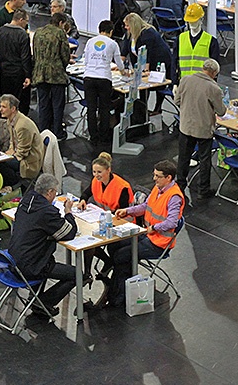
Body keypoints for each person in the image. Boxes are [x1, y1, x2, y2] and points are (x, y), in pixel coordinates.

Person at [107, 160, 185, 308]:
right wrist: (127, 211)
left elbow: (172, 223)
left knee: (121, 256)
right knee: (114, 246)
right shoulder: (158, 188)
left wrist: (154, 228)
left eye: (158, 176)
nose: (154, 179)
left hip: (159, 243)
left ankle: (118, 295)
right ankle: (121, 286)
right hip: (147, 236)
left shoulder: (174, 197)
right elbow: (145, 206)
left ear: (168, 178)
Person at [6, 174, 77, 315]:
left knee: (47, 258)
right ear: (50, 192)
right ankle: (43, 303)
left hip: (13, 260)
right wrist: (68, 212)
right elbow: (68, 232)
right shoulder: (46, 211)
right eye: (55, 192)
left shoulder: (26, 200)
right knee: (77, 274)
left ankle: (35, 298)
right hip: (32, 265)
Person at [175, 58, 226, 198]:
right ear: (214, 73)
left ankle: (179, 185)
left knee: (183, 158)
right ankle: (203, 189)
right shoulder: (214, 88)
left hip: (186, 126)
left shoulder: (185, 80)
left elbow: (177, 101)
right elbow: (221, 111)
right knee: (205, 160)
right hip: (203, 129)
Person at [83, 20, 125, 147]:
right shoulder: (113, 43)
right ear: (111, 31)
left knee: (91, 108)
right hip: (104, 78)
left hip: (89, 77)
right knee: (104, 108)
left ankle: (93, 136)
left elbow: (86, 60)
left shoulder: (90, 41)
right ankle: (104, 136)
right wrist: (123, 71)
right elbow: (119, 62)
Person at [33, 12, 72, 140]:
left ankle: (43, 130)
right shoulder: (60, 33)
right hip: (56, 74)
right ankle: (57, 132)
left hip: (40, 73)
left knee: (43, 103)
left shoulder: (38, 31)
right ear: (61, 23)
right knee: (57, 104)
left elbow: (35, 51)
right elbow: (65, 54)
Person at [0, 93, 45, 188]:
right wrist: (10, 151)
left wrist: (9, 156)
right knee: (1, 158)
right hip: (20, 155)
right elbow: (12, 141)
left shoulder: (22, 126)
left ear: (13, 109)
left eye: (4, 107)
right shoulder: (11, 120)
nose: (0, 110)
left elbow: (23, 152)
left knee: (0, 163)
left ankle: (14, 184)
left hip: (29, 163)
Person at [0, 7, 32, 110]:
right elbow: (25, 57)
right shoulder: (23, 35)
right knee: (19, 102)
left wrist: (1, 61)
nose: (26, 24)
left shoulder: (0, 31)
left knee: (5, 99)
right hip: (18, 73)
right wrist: (28, 75)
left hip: (4, 70)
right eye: (26, 21)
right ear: (21, 20)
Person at [177, 4, 220, 78]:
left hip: (203, 83)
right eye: (190, 21)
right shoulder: (180, 39)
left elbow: (215, 67)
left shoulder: (211, 41)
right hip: (184, 83)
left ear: (201, 20)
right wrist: (175, 83)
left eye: (194, 21)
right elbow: (175, 62)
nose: (191, 23)